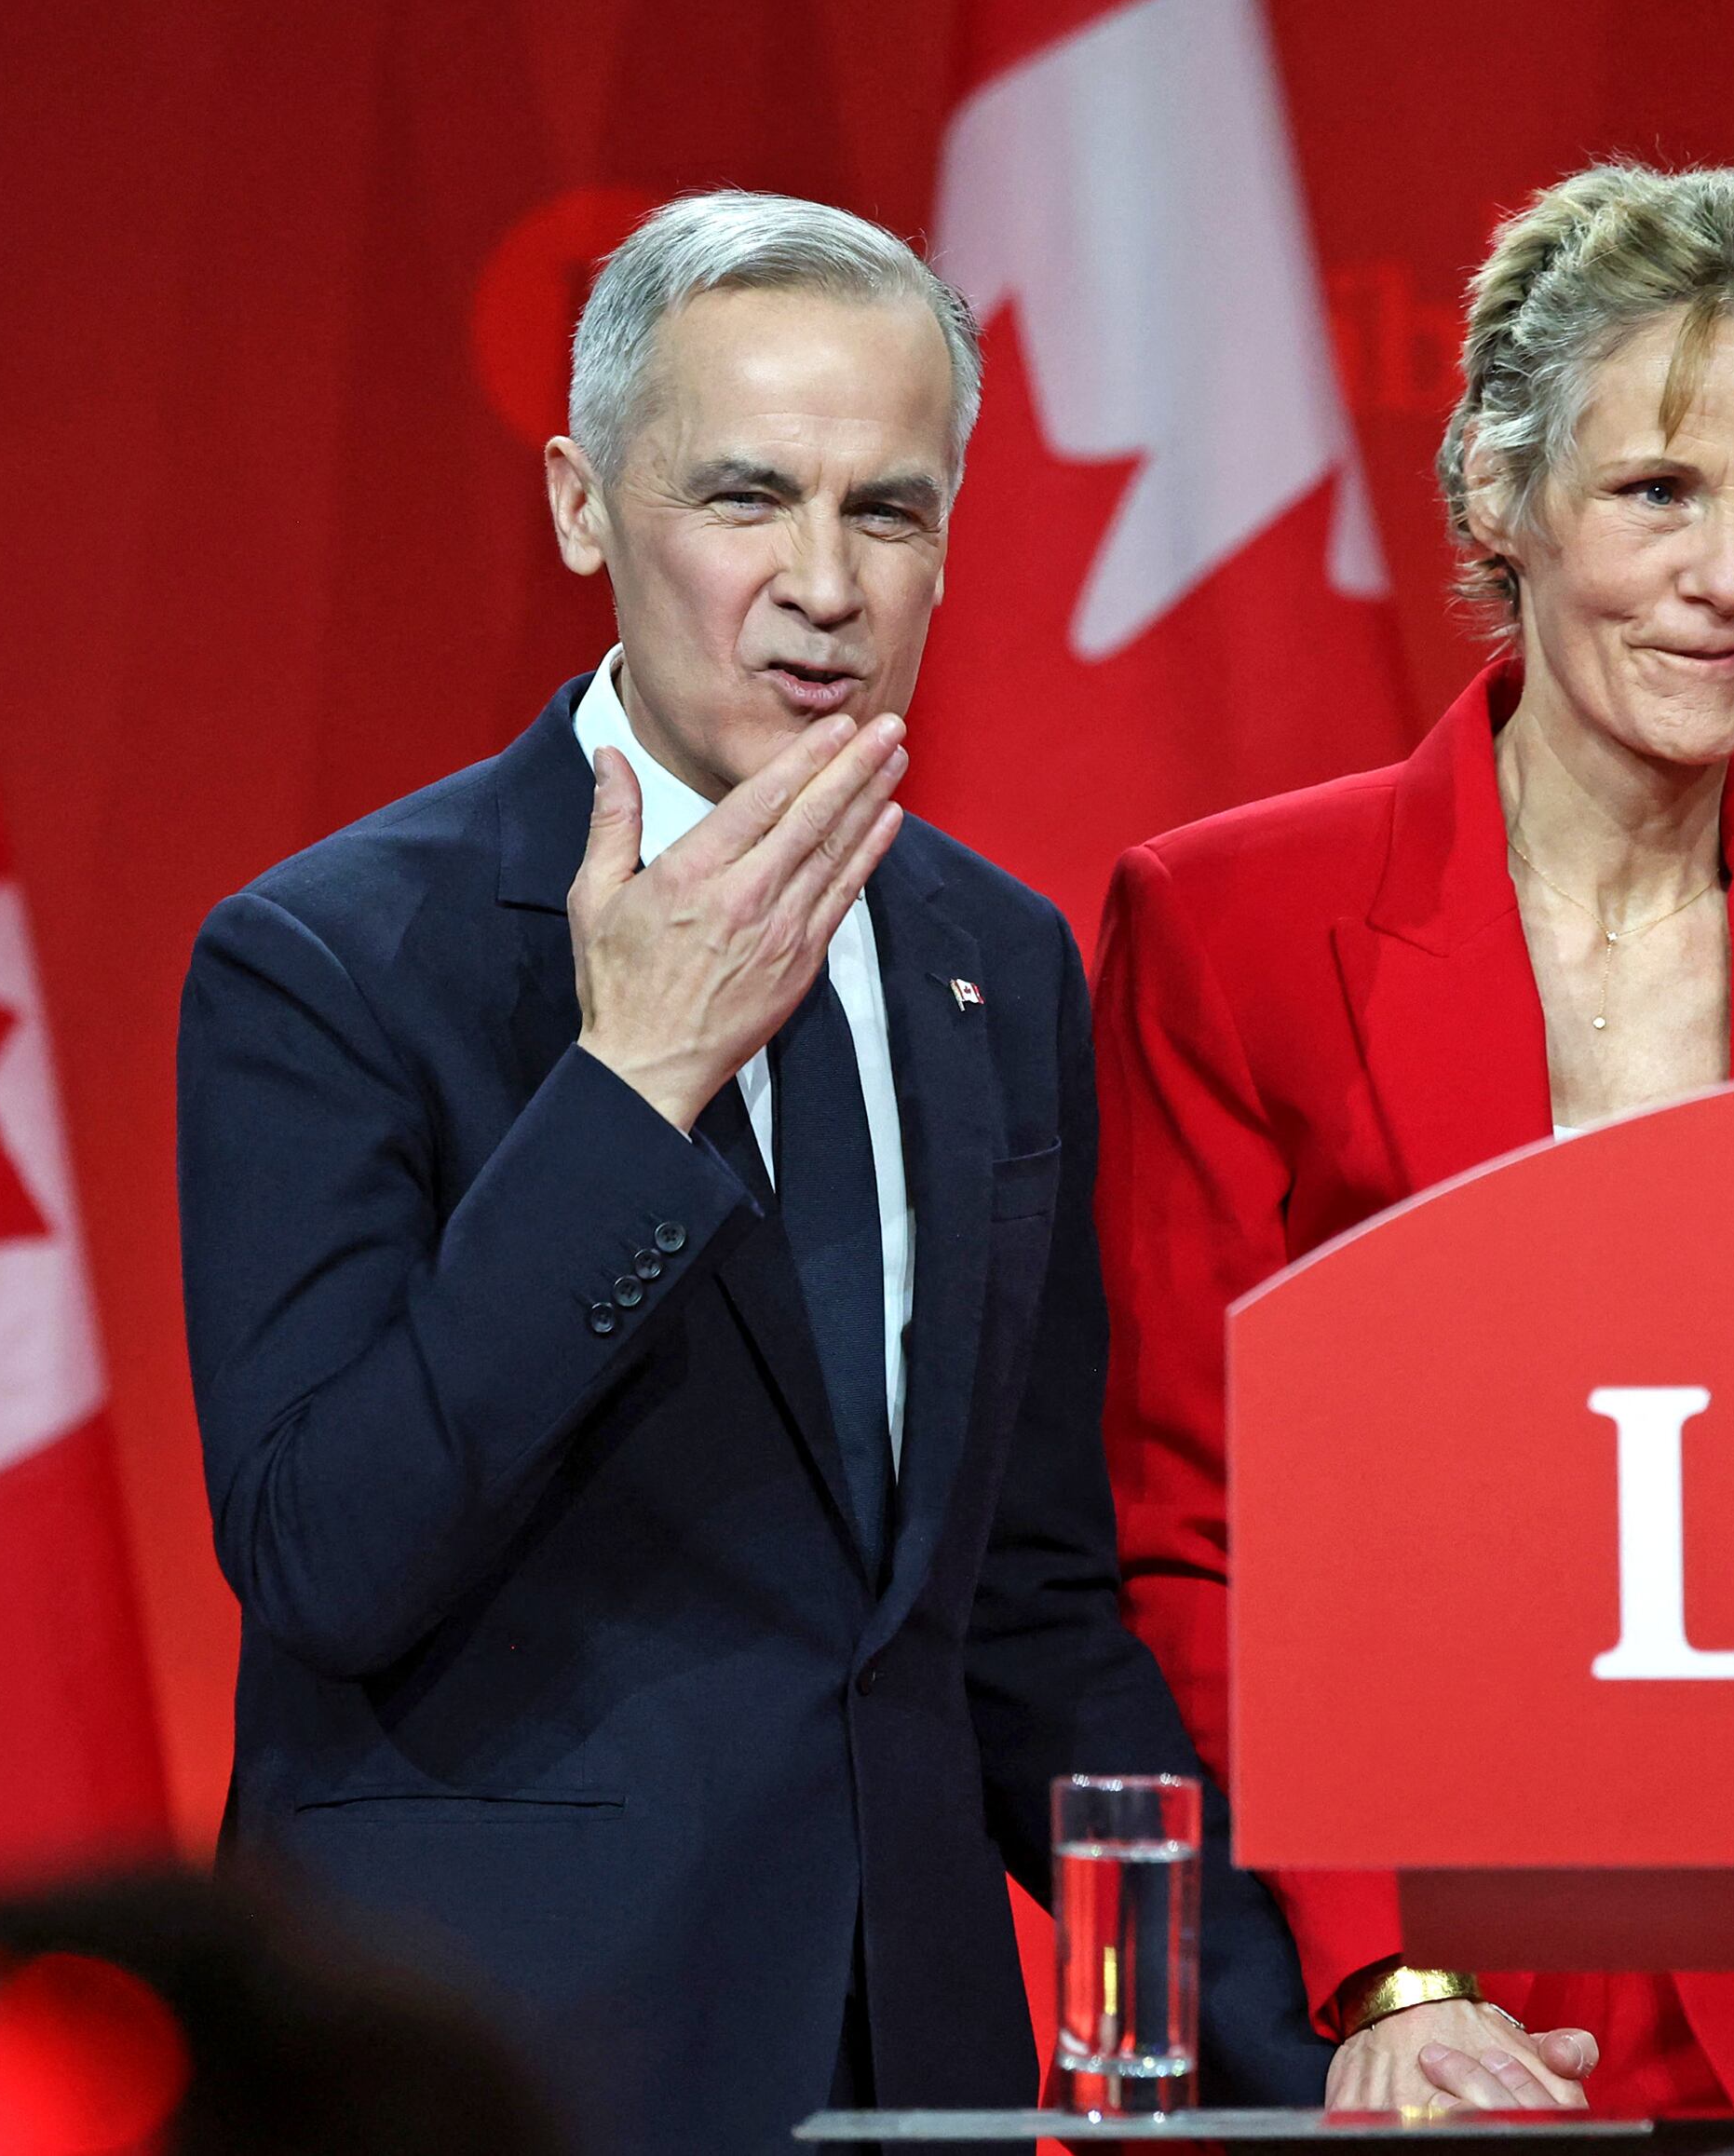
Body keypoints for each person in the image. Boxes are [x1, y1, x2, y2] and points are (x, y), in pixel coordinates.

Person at [173, 192, 1588, 2156]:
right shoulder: (330, 960)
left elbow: (1025, 1615)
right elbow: (328, 1552)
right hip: (483, 2073)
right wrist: (632, 1088)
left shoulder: (994, 962)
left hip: (905, 2077)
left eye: (890, 511)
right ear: (583, 504)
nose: (824, 584)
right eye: (747, 497)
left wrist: (1355, 2022)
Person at [1094, 164, 1734, 2117]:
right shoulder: (1235, 921)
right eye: (1657, 491)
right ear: (1499, 496)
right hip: (1435, 1951)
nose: (1728, 577)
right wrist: (1387, 1968)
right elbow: (1191, 1523)